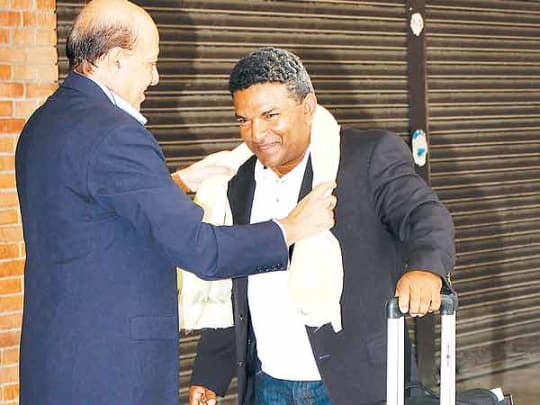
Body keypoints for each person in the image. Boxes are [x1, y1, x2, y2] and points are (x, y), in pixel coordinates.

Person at [15, 3, 337, 404]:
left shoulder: (44, 123)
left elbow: (90, 209)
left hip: (58, 364)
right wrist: (290, 228)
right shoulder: (116, 134)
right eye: (150, 63)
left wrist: (178, 182)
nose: (155, 77)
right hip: (111, 373)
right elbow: (202, 250)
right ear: (116, 60)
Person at [188, 47, 455, 405]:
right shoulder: (238, 181)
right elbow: (234, 285)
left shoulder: (367, 156)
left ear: (308, 107)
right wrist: (211, 372)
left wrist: (426, 269)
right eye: (244, 119)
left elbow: (424, 214)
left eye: (270, 115)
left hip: (354, 384)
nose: (256, 133)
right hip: (268, 384)